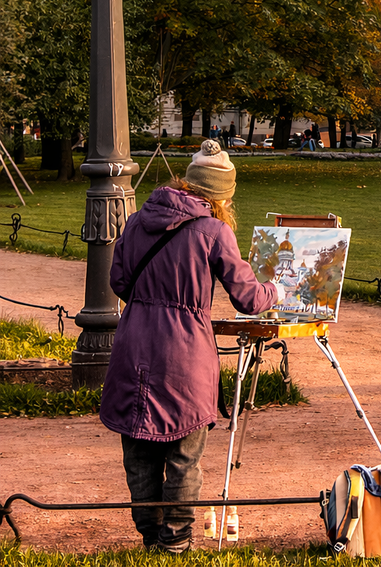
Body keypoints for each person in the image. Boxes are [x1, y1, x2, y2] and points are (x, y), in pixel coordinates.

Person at [99, 140, 280, 552]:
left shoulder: (137, 219)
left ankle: (150, 537)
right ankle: (176, 541)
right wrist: (276, 289)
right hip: (183, 353)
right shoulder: (214, 231)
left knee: (139, 450)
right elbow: (249, 299)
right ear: (220, 195)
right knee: (184, 454)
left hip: (133, 343)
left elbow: (119, 283)